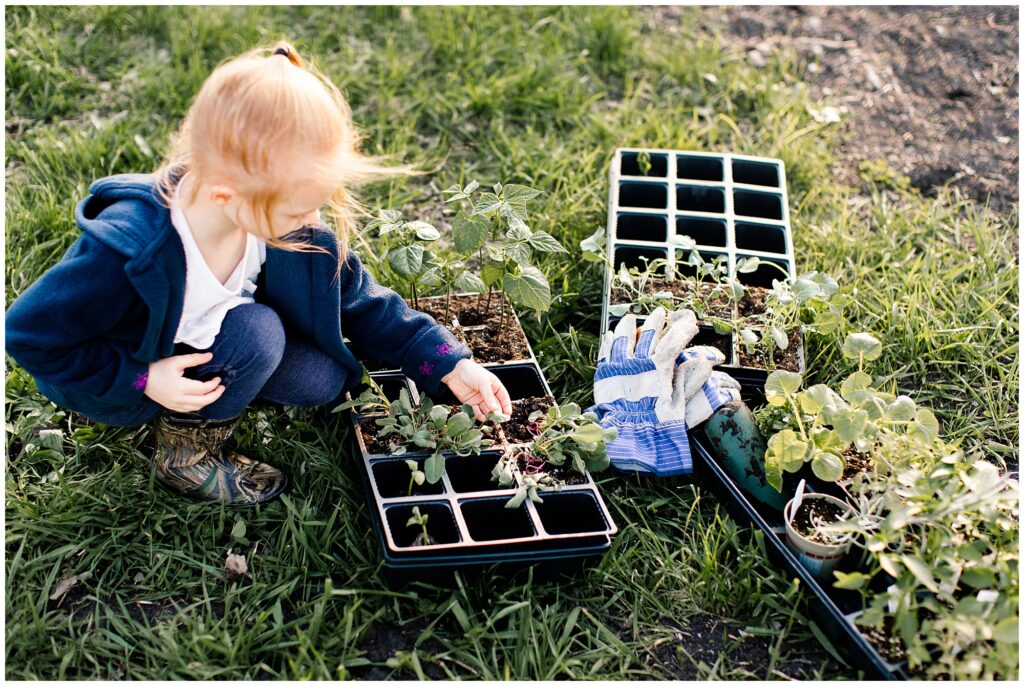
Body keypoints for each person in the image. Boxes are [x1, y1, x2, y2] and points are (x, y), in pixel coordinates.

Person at [5, 42, 513, 505]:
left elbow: (360, 300)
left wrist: (447, 361)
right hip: (142, 365)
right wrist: (143, 379)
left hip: (213, 335)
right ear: (227, 195)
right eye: (298, 211)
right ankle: (184, 452)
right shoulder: (127, 253)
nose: (311, 223)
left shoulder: (275, 220)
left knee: (322, 378)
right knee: (260, 334)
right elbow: (29, 333)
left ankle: (230, 378)